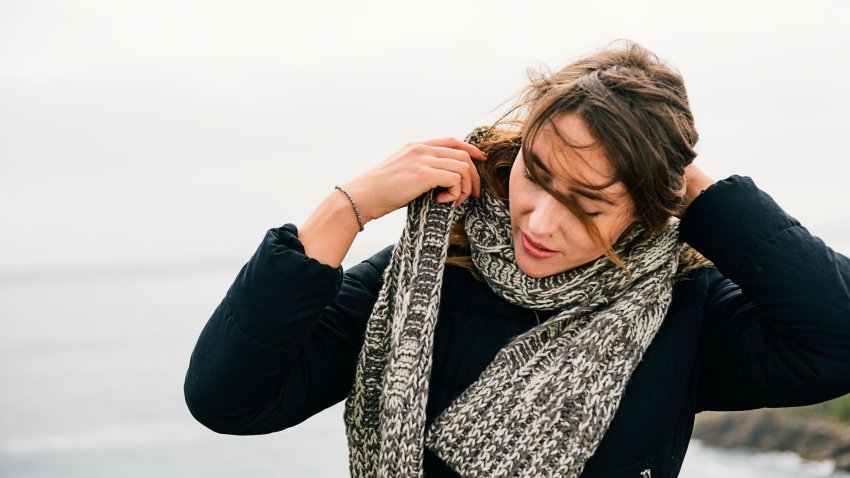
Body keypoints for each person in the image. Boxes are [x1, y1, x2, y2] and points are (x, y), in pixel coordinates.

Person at [183, 40, 850, 477]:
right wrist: (345, 209)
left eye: (590, 201)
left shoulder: (684, 307)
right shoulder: (425, 275)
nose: (541, 219)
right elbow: (230, 400)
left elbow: (837, 338)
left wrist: (696, 186)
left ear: (650, 204)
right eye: (537, 173)